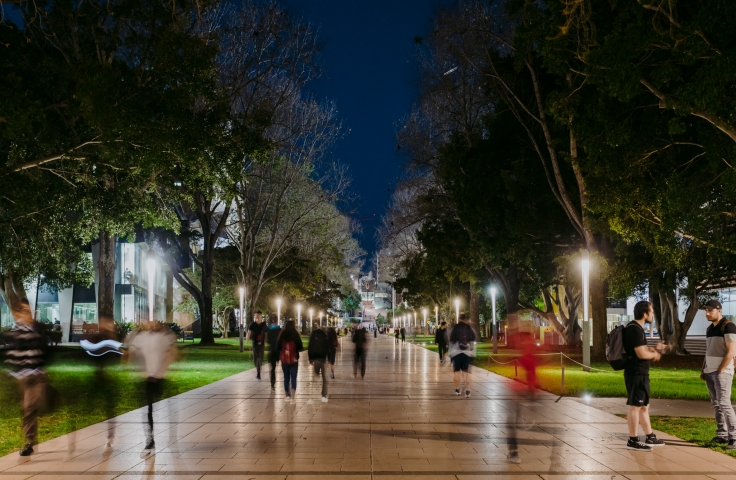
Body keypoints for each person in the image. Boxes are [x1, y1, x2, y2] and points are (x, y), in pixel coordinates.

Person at [3, 299, 49, 456]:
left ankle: (29, 441)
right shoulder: (16, 332)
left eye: (27, 310)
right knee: (27, 409)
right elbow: (12, 352)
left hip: (37, 376)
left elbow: (44, 351)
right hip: (23, 378)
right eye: (23, 311)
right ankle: (30, 439)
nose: (26, 313)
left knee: (30, 408)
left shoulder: (38, 329)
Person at [126, 321, 177, 453]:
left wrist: (162, 371)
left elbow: (170, 354)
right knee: (148, 410)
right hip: (147, 378)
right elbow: (132, 351)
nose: (150, 324)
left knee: (165, 408)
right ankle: (150, 440)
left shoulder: (162, 338)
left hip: (159, 378)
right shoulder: (142, 337)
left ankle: (171, 435)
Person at [623, 300, 666, 451]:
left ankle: (650, 436)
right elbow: (641, 353)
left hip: (639, 373)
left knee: (643, 406)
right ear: (644, 313)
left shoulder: (636, 328)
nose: (653, 314)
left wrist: (654, 350)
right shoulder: (635, 329)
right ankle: (633, 440)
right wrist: (656, 354)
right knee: (635, 406)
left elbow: (641, 349)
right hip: (636, 373)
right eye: (651, 312)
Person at [702, 299, 736, 448]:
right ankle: (721, 434)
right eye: (706, 311)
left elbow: (731, 351)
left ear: (719, 310)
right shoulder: (709, 329)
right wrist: (704, 369)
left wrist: (721, 369)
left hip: (722, 372)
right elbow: (708, 351)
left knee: (724, 403)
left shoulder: (728, 326)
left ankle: (734, 437)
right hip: (709, 371)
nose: (707, 313)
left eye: (710, 311)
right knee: (716, 404)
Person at [448, 313, 476, 397]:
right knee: (467, 372)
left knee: (456, 372)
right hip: (467, 353)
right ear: (466, 319)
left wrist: (451, 354)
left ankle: (457, 390)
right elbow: (473, 340)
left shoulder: (455, 328)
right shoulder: (469, 328)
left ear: (459, 318)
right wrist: (472, 353)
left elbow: (451, 341)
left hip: (456, 352)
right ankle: (468, 391)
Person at [276, 320, 303, 402]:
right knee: (293, 377)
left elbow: (277, 346)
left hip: (284, 359)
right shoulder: (295, 334)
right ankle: (293, 394)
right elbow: (300, 346)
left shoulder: (282, 334)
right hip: (294, 359)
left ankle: (287, 394)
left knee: (286, 376)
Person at [308, 327, 330, 402]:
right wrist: (329, 358)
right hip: (323, 358)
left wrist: (310, 359)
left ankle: (311, 396)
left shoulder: (313, 335)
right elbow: (328, 348)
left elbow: (310, 347)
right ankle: (323, 395)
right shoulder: (324, 335)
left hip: (315, 358)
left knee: (314, 376)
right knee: (324, 377)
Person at [247, 311, 268, 380]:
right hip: (255, 344)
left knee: (260, 358)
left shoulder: (264, 325)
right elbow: (249, 332)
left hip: (261, 345)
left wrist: (265, 341)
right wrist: (248, 338)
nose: (257, 317)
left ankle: (258, 373)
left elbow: (266, 333)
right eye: (256, 316)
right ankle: (257, 369)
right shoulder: (252, 324)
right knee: (255, 359)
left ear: (261, 316)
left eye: (258, 316)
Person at [266, 315, 282, 391]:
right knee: (275, 367)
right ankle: (273, 382)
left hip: (271, 350)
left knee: (272, 368)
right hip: (277, 351)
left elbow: (267, 340)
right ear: (276, 320)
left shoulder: (268, 329)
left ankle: (272, 383)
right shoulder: (279, 329)